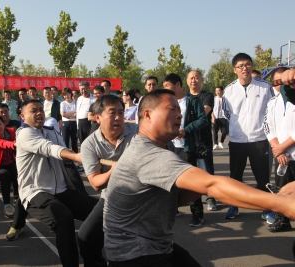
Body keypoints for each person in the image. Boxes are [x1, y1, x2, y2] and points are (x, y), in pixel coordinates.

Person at [103, 89, 295, 266]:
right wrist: (279, 203)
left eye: (180, 110)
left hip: (154, 245)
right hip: (134, 255)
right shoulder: (148, 154)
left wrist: (280, 197)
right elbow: (212, 185)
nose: (179, 114)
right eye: (171, 109)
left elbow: (177, 198)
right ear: (147, 114)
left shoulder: (159, 147)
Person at [14, 99, 98, 266]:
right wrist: (74, 157)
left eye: (41, 110)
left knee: (99, 212)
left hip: (60, 189)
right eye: (33, 111)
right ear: (23, 116)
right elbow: (49, 148)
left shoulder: (51, 131)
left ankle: (94, 260)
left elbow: (66, 152)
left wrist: (85, 156)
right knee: (64, 218)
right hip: (36, 192)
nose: (39, 113)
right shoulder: (24, 133)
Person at [78, 95, 138, 267]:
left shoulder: (137, 133)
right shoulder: (89, 144)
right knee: (85, 237)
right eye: (112, 113)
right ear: (97, 117)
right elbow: (96, 183)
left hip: (141, 197)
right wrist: (116, 169)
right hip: (111, 197)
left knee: (142, 244)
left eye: (121, 112)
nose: (119, 118)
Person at [222, 52, 275, 222]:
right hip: (237, 140)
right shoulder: (229, 90)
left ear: (252, 66)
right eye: (240, 66)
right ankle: (234, 206)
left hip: (259, 139)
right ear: (234, 70)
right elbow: (227, 114)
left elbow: (271, 112)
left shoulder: (265, 87)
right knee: (235, 176)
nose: (245, 68)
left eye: (247, 64)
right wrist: (238, 129)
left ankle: (266, 208)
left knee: (262, 177)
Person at [163, 73, 209, 223]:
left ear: (177, 85)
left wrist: (186, 130)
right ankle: (172, 209)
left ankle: (197, 213)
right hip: (170, 147)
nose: (165, 89)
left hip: (187, 147)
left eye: (167, 86)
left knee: (191, 182)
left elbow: (203, 120)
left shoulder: (192, 100)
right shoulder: (167, 102)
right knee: (171, 180)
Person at [263, 67, 295, 232]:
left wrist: (283, 147)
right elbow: (268, 127)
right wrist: (278, 149)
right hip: (281, 155)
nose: (281, 85)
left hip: (292, 151)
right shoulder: (272, 103)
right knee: (282, 189)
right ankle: (282, 220)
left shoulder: (293, 100)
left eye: (285, 81)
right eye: (277, 82)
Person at [187, 70, 217, 213]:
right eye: (191, 78)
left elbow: (204, 112)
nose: (194, 80)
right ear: (187, 81)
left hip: (203, 141)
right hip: (187, 142)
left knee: (207, 172)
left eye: (197, 78)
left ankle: (211, 197)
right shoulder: (184, 97)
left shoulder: (207, 95)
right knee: (190, 174)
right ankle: (192, 200)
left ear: (201, 80)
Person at [60, 87, 78, 153]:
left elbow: (77, 113)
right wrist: (72, 114)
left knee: (74, 141)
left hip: (74, 123)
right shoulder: (62, 103)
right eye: (64, 95)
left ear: (71, 94)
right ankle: (66, 157)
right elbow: (63, 114)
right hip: (65, 123)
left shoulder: (76, 102)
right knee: (65, 141)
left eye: (67, 94)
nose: (66, 96)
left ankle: (75, 156)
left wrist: (68, 115)